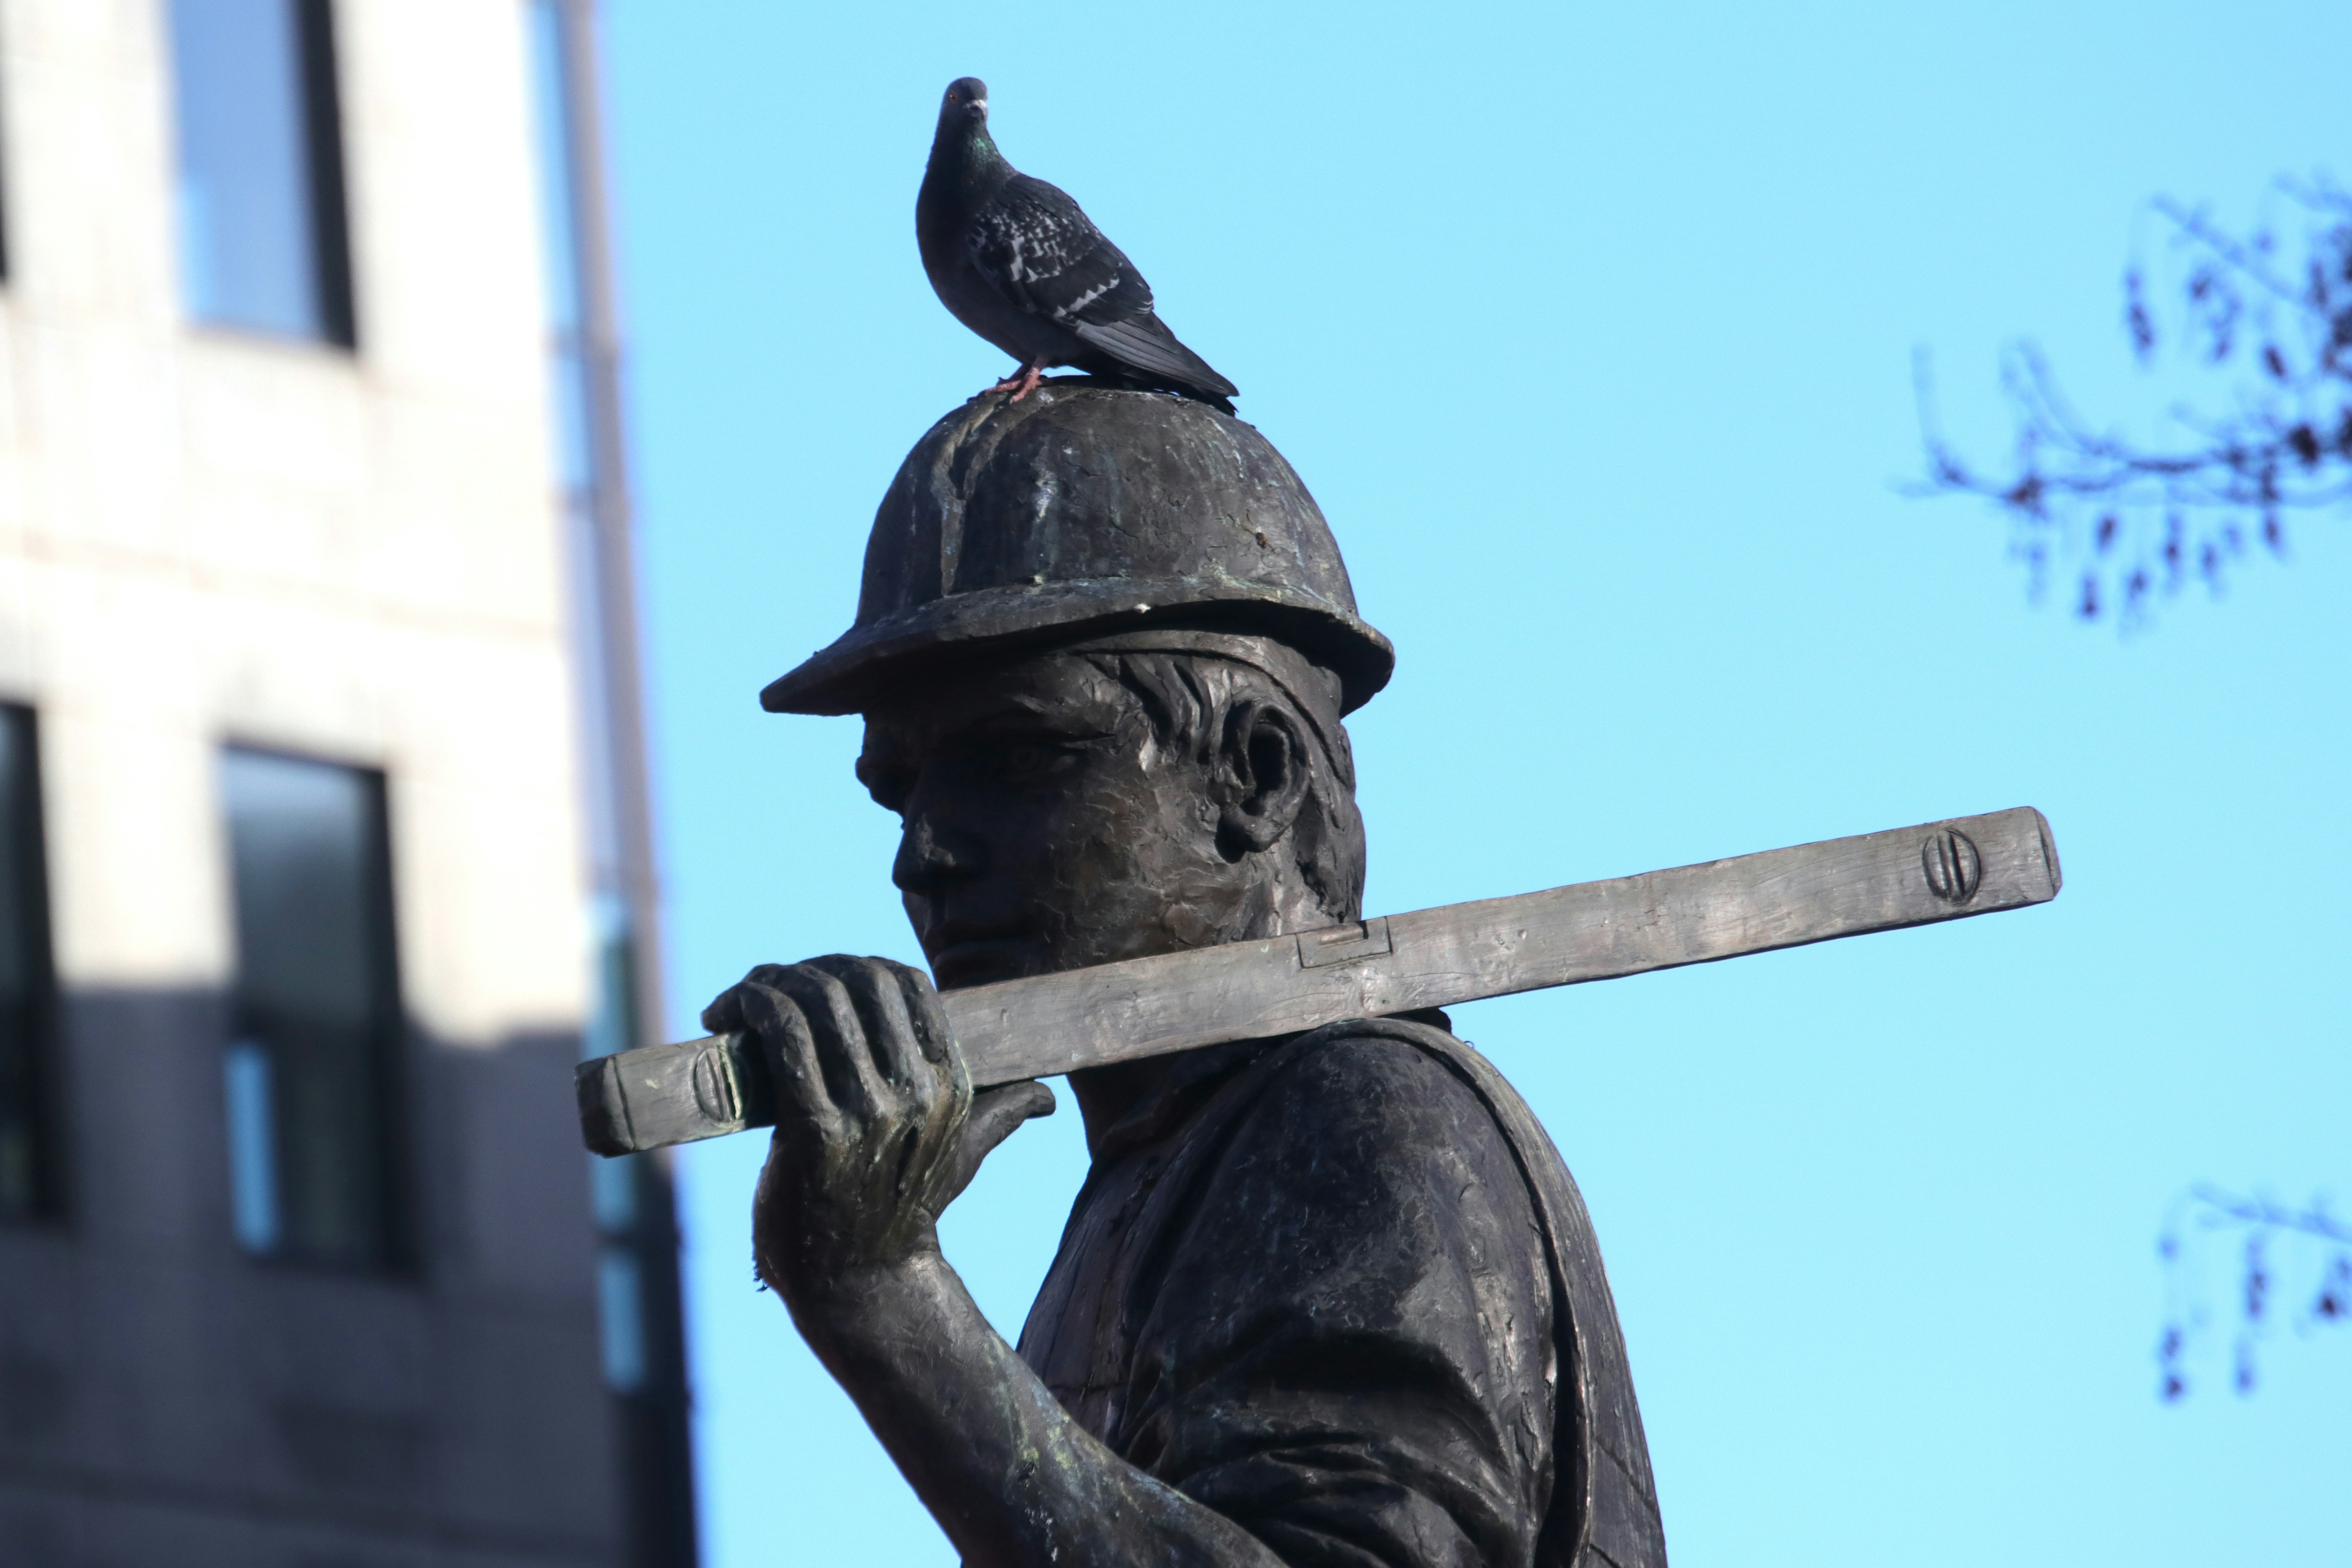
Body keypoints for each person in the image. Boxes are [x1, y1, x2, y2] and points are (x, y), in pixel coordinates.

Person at [703, 384, 1666, 1568]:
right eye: (900, 792)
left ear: (1255, 777)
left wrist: (885, 1296)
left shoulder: (1361, 1118)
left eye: (1019, 755)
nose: (925, 854)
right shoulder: (1156, 1181)